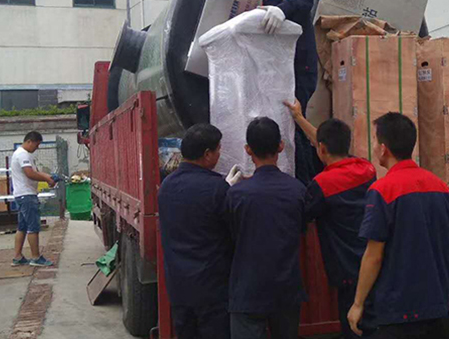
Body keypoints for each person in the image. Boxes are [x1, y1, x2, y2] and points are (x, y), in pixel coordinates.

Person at [347, 113, 449, 339]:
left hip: (398, 314)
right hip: (438, 310)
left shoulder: (382, 191)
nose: (374, 146)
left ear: (383, 149)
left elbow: (374, 256)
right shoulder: (440, 187)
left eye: (374, 140)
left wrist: (358, 304)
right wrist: (445, 291)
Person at [285, 99, 376, 339]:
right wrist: (299, 118)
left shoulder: (322, 185)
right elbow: (326, 144)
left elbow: (301, 216)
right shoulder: (367, 169)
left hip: (347, 267)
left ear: (322, 149)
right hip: (374, 262)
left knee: (354, 327)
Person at [232, 0, 318, 184]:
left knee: (294, 125)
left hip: (298, 70)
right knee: (287, 125)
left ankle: (304, 186)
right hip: (283, 72)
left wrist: (282, 10)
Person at [225, 117, 307, 339]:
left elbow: (228, 236)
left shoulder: (236, 194)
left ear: (248, 150)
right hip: (286, 291)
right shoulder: (297, 190)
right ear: (281, 146)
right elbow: (302, 228)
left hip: (247, 291)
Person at [158, 124, 239, 339]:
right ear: (207, 154)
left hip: (179, 287)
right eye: (218, 149)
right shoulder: (217, 189)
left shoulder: (166, 186)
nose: (220, 154)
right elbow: (234, 231)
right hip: (212, 289)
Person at [11, 131, 55, 267]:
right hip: (27, 195)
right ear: (29, 141)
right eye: (36, 144)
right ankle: (36, 257)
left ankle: (18, 256)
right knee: (33, 226)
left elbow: (33, 172)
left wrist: (47, 176)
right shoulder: (22, 154)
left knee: (22, 227)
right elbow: (30, 173)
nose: (37, 148)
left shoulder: (20, 154)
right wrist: (47, 178)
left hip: (21, 195)